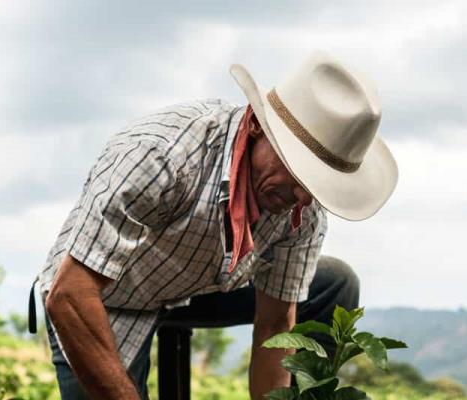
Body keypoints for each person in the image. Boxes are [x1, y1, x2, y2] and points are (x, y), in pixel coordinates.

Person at [28, 51, 398, 399]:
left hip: (202, 285)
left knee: (335, 283)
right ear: (257, 127)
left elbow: (275, 325)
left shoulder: (302, 206)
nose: (303, 197)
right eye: (300, 171)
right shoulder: (162, 155)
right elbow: (69, 293)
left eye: (318, 184)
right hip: (105, 297)